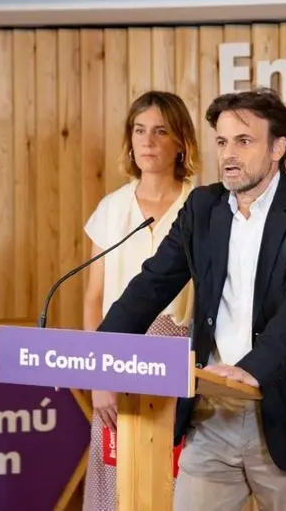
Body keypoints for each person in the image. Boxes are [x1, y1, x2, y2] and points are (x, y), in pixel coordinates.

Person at [91, 87, 286, 511]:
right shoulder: (203, 207)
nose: (229, 153)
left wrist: (251, 371)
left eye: (244, 141)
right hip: (212, 416)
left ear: (278, 147)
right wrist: (101, 354)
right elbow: (152, 284)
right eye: (222, 141)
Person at [81, 90, 200, 511]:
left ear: (181, 142)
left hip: (184, 368)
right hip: (119, 362)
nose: (147, 142)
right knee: (120, 486)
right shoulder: (112, 208)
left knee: (178, 487)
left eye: (160, 131)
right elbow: (94, 299)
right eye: (139, 130)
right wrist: (100, 378)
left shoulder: (201, 206)